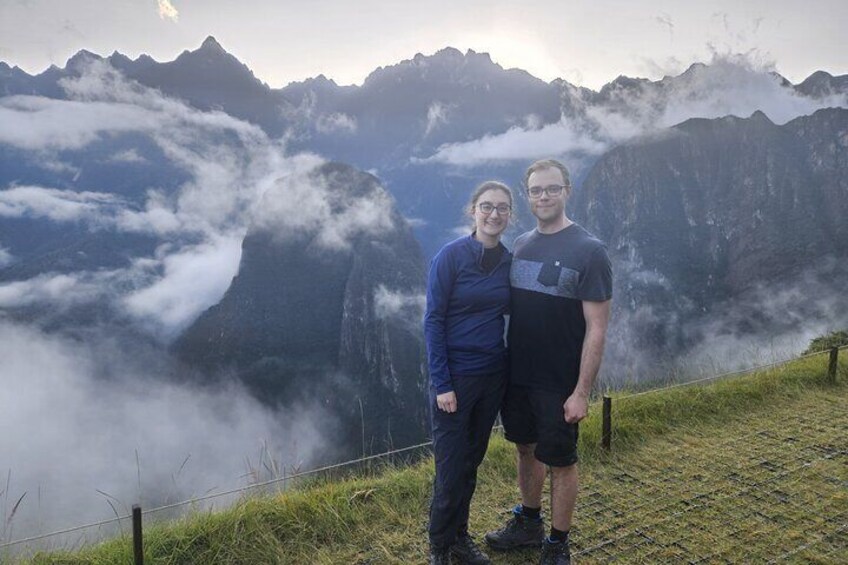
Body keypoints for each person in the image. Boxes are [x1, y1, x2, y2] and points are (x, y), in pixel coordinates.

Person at [484, 159, 612, 565]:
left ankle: (558, 543)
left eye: (552, 189)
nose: (544, 196)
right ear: (528, 195)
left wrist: (581, 391)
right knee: (525, 449)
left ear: (567, 190)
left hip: (559, 382)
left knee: (561, 460)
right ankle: (529, 522)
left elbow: (597, 328)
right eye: (537, 190)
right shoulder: (521, 245)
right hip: (518, 375)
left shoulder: (589, 251)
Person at [424, 181, 514, 565]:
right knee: (449, 473)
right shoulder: (451, 257)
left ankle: (460, 539)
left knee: (470, 464)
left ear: (510, 215)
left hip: (492, 377)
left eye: (502, 208)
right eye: (487, 206)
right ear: (473, 211)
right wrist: (442, 383)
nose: (494, 214)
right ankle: (439, 549)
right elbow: (433, 321)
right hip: (455, 380)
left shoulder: (510, 261)